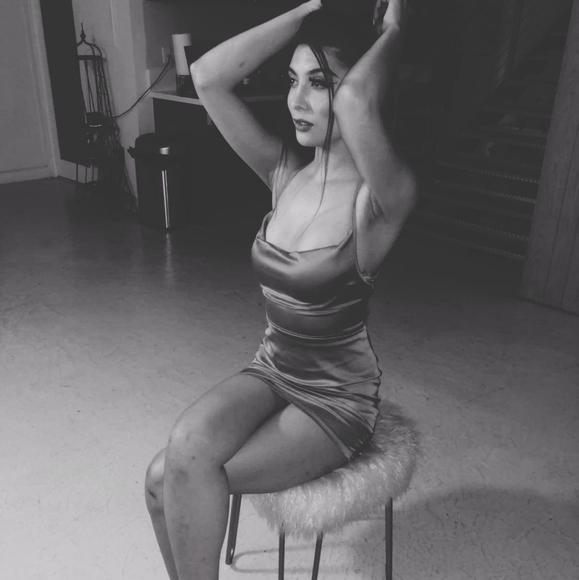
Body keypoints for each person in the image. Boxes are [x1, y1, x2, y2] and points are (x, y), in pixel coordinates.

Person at [145, 1, 418, 578]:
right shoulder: (284, 173)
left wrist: (393, 31)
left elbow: (356, 101)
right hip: (271, 368)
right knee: (166, 469)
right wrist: (310, 8)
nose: (297, 100)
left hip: (336, 397)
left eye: (318, 83)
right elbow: (208, 76)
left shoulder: (382, 199)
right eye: (292, 81)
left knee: (175, 479)